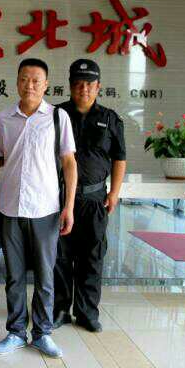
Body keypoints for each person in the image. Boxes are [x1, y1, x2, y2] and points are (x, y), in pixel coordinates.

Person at [0, 58, 77, 358]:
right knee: (14, 277)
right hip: (11, 208)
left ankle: (43, 333)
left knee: (45, 276)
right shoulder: (4, 118)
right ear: (16, 82)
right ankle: (15, 332)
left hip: (46, 209)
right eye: (24, 78)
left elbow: (69, 162)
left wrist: (69, 206)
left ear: (46, 84)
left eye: (36, 80)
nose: (30, 85)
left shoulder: (58, 117)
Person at [53, 59, 126, 333]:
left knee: (92, 257)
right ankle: (60, 310)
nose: (83, 89)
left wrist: (115, 192)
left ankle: (87, 313)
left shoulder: (110, 119)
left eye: (89, 84)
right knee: (60, 257)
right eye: (78, 84)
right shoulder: (56, 115)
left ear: (98, 87)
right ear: (70, 86)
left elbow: (119, 158)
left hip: (95, 200)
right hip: (60, 199)